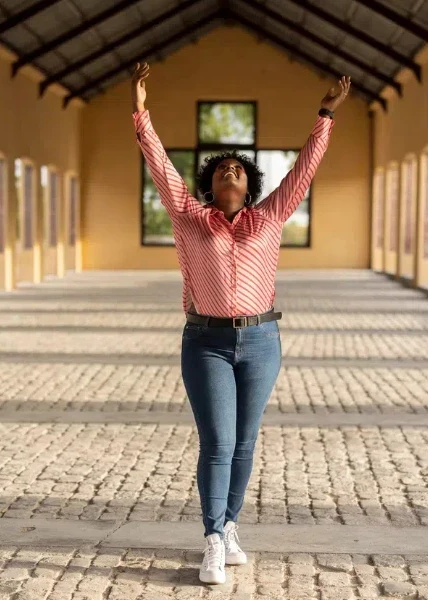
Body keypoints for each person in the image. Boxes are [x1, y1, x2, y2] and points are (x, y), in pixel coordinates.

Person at [130, 62, 349, 585]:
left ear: (250, 185)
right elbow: (159, 164)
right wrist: (141, 114)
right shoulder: (188, 216)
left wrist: (324, 116)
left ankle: (230, 526)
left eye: (239, 170)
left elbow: (304, 171)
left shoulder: (271, 216)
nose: (230, 173)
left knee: (246, 442)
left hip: (261, 340)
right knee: (218, 442)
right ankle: (211, 537)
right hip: (204, 340)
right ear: (209, 183)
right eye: (221, 169)